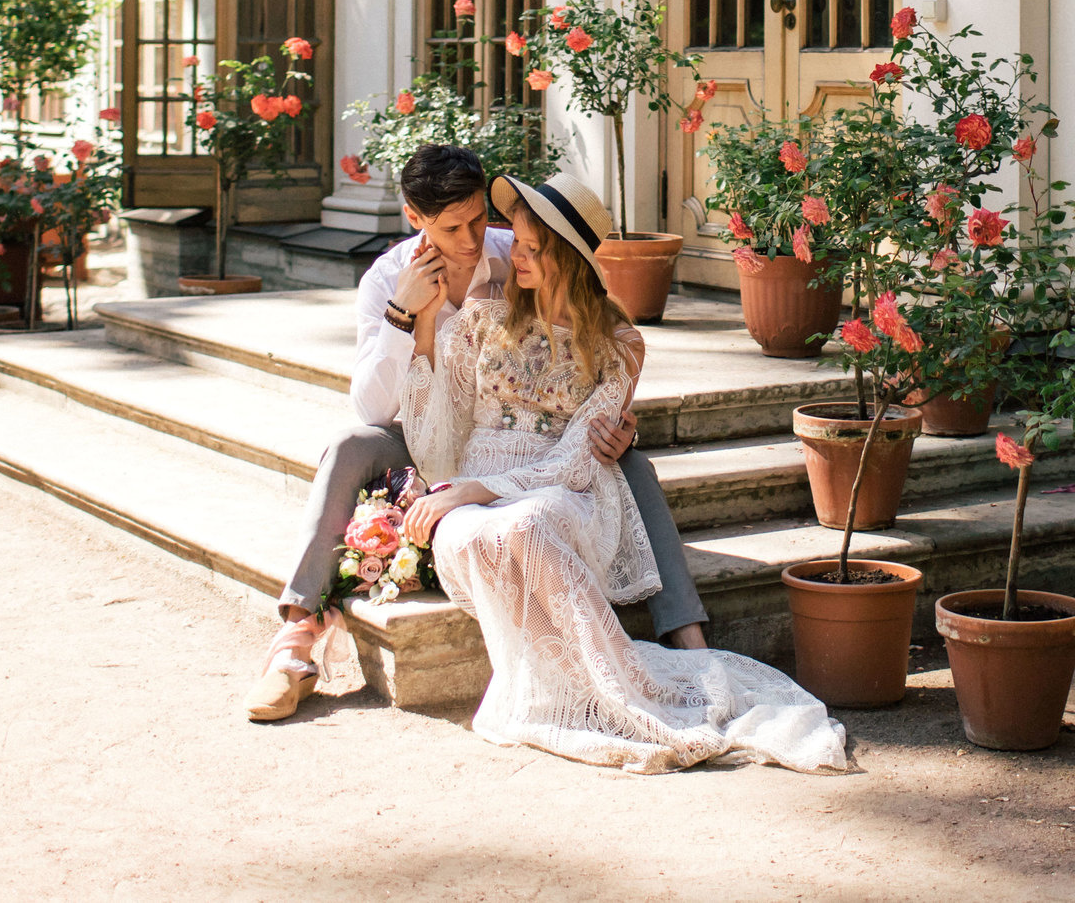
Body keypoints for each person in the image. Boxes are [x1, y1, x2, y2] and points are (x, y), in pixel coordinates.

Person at [392, 169, 847, 772]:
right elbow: (434, 439)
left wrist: (481, 489)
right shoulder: (481, 316)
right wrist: (423, 323)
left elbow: (580, 458)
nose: (512, 256)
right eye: (517, 244)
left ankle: (625, 692)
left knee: (526, 525)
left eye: (531, 248)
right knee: (475, 531)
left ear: (570, 258)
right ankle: (566, 693)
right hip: (473, 492)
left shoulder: (618, 343)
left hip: (563, 489)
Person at [244, 145, 710, 722]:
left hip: (532, 446)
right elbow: (370, 407)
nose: (471, 241)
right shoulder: (386, 279)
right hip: (419, 430)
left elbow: (578, 350)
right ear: (415, 218)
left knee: (630, 463)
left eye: (477, 220)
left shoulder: (515, 250)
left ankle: (683, 632)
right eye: (452, 227)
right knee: (346, 446)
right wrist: (404, 316)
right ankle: (294, 643)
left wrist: (615, 426)